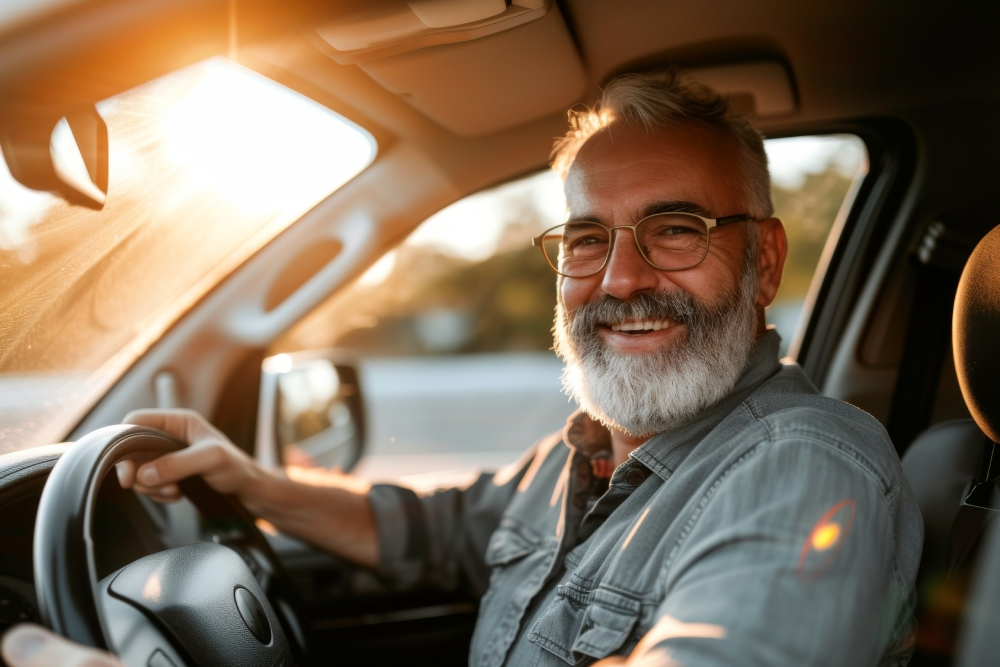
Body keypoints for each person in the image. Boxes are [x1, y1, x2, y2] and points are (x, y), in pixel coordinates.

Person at [1, 70, 922, 667]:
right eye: (587, 239)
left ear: (764, 259)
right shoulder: (585, 454)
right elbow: (438, 530)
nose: (621, 278)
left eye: (675, 230)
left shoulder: (808, 464)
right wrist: (251, 482)